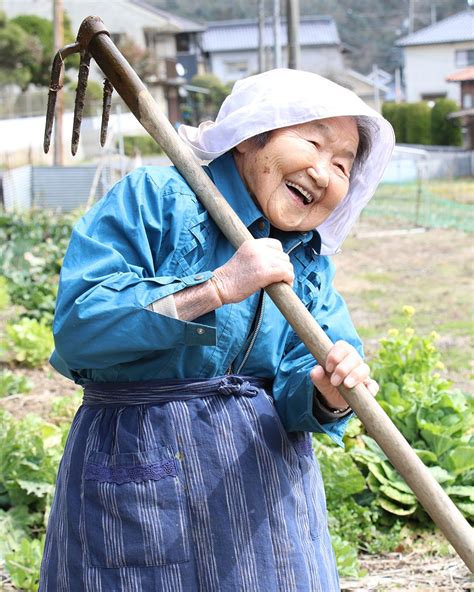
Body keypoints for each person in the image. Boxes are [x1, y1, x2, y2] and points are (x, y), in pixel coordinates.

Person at [39, 69, 394, 592]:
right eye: (314, 144)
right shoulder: (154, 200)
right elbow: (81, 326)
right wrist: (216, 289)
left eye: (342, 165)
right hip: (140, 473)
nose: (323, 173)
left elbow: (307, 375)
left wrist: (329, 392)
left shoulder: (307, 260)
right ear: (253, 136)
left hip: (263, 490)